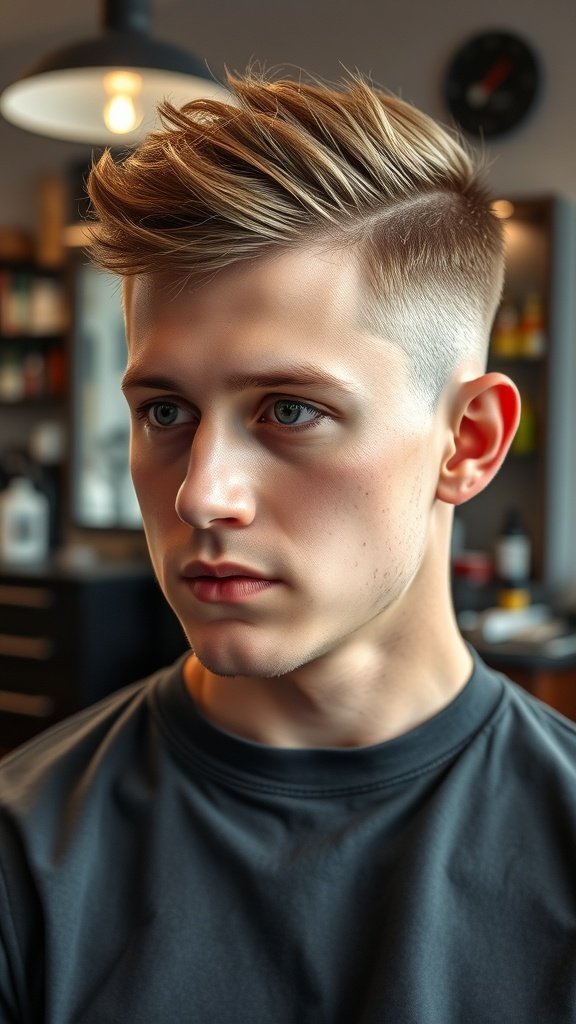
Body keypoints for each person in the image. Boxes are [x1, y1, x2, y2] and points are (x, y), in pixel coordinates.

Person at [0, 70, 575, 1024]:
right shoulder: (24, 863)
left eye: (290, 410)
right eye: (166, 411)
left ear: (467, 442)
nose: (201, 493)